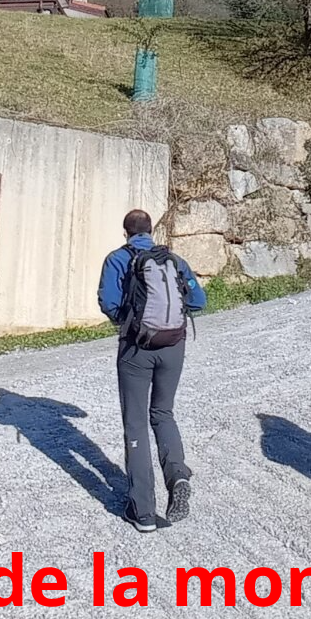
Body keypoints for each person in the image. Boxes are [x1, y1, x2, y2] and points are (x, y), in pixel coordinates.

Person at [98, 210, 206, 533]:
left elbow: (107, 301)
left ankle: (143, 510)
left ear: (125, 233)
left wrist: (131, 323)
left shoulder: (117, 259)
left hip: (136, 349)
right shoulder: (172, 260)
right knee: (163, 412)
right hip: (174, 345)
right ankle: (178, 475)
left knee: (135, 423)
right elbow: (198, 301)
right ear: (151, 231)